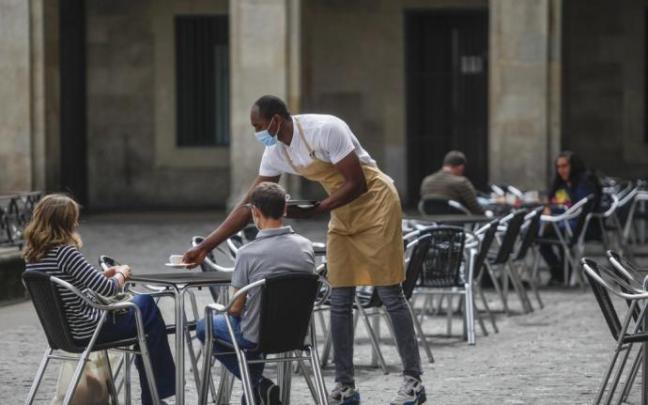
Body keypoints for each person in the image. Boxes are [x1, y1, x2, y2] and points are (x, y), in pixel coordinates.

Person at [184, 95, 425, 405]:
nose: (257, 131)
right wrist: (206, 245)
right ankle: (345, 387)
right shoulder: (275, 151)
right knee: (340, 298)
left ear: (276, 120)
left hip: (376, 203)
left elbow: (358, 182)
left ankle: (413, 381)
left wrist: (317, 209)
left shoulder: (325, 129)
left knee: (390, 292)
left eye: (258, 125)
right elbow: (250, 204)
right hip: (343, 212)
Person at [22, 194, 175, 405]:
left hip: (62, 333)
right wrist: (122, 272)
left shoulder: (33, 257)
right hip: (90, 330)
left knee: (145, 324)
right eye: (73, 218)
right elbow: (108, 290)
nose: (76, 223)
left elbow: (69, 286)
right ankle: (155, 396)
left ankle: (154, 396)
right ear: (66, 222)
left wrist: (104, 275)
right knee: (146, 306)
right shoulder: (66, 252)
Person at [196, 182, 315, 405]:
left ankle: (259, 386)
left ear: (255, 213)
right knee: (252, 326)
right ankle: (255, 395)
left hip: (257, 335)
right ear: (285, 210)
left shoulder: (247, 253)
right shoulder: (305, 246)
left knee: (206, 327)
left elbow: (236, 307)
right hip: (296, 332)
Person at [540, 151, 601, 282]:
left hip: (583, 225)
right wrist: (548, 207)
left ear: (573, 166)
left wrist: (558, 208)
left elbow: (580, 207)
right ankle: (557, 271)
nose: (561, 170)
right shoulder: (561, 183)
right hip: (563, 222)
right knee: (538, 236)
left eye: (564, 166)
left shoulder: (584, 181)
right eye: (558, 167)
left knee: (551, 233)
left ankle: (562, 274)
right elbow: (551, 199)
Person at [419, 150, 484, 215]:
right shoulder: (462, 181)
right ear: (461, 167)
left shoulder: (426, 180)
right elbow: (476, 208)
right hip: (456, 222)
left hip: (431, 221)